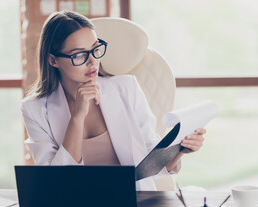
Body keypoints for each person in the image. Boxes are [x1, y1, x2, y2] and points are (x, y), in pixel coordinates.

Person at [21, 11, 206, 190]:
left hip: (131, 203)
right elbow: (54, 181)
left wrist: (180, 149)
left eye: (95, 49)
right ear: (53, 60)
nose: (92, 61)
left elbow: (150, 159)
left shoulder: (127, 88)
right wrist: (77, 118)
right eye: (79, 55)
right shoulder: (34, 109)